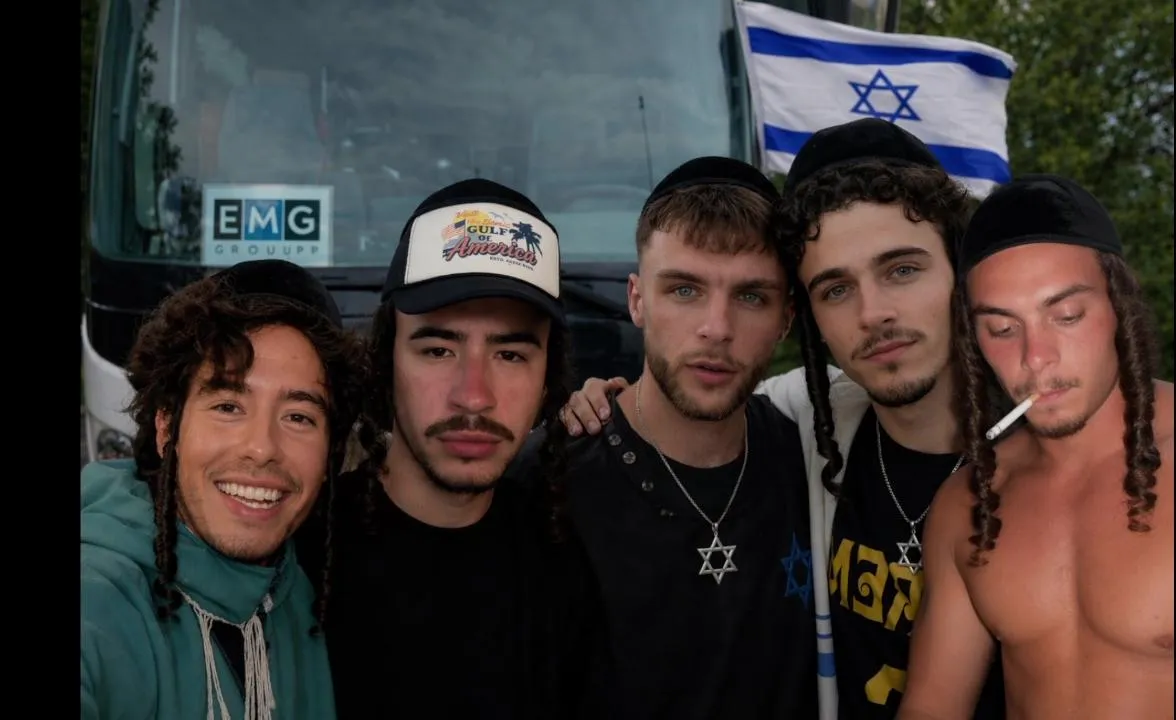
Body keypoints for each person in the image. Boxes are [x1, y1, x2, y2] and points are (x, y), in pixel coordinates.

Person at [561, 119, 1006, 720]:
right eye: (836, 288)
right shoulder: (816, 422)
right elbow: (695, 412)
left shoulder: (1055, 457)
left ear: (961, 270)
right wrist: (599, 408)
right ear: (808, 315)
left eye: (902, 269)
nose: (874, 313)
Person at [529, 156, 820, 719]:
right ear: (637, 300)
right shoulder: (543, 485)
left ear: (786, 319)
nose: (717, 328)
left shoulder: (815, 456)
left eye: (751, 296)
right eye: (685, 290)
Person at [302, 179, 600, 719]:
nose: (474, 396)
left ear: (546, 383)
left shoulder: (562, 561)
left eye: (510, 355)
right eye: (438, 350)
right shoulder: (301, 554)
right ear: (386, 362)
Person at [896, 174, 1173, 720]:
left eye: (1066, 316)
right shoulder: (970, 504)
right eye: (1002, 329)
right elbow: (932, 706)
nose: (1036, 357)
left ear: (1119, 306)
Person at [80, 259, 368, 720]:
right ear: (167, 426)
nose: (262, 448)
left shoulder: (295, 595)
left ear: (329, 455)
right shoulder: (100, 596)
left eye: (298, 417)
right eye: (228, 406)